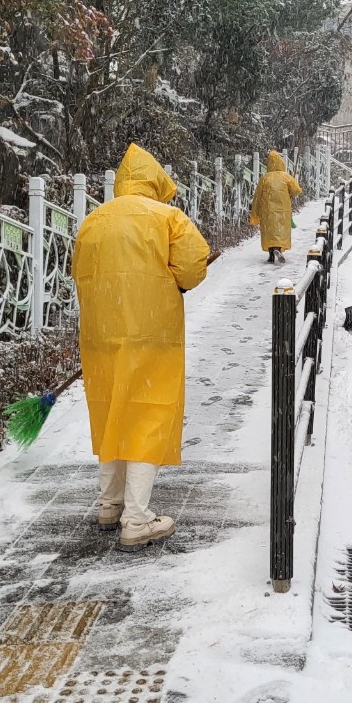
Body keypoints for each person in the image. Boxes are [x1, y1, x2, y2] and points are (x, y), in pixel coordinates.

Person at [73, 144, 210, 549]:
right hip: (152, 334)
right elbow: (192, 266)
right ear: (154, 182)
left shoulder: (93, 221)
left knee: (111, 410)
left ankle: (109, 503)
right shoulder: (167, 217)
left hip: (101, 337)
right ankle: (136, 519)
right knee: (146, 416)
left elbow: (78, 273)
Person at [249, 150, 302, 263]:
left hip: (267, 209)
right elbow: (297, 190)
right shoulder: (286, 177)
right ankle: (278, 249)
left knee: (270, 231)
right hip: (283, 209)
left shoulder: (265, 178)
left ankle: (271, 254)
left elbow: (257, 196)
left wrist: (255, 212)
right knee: (281, 230)